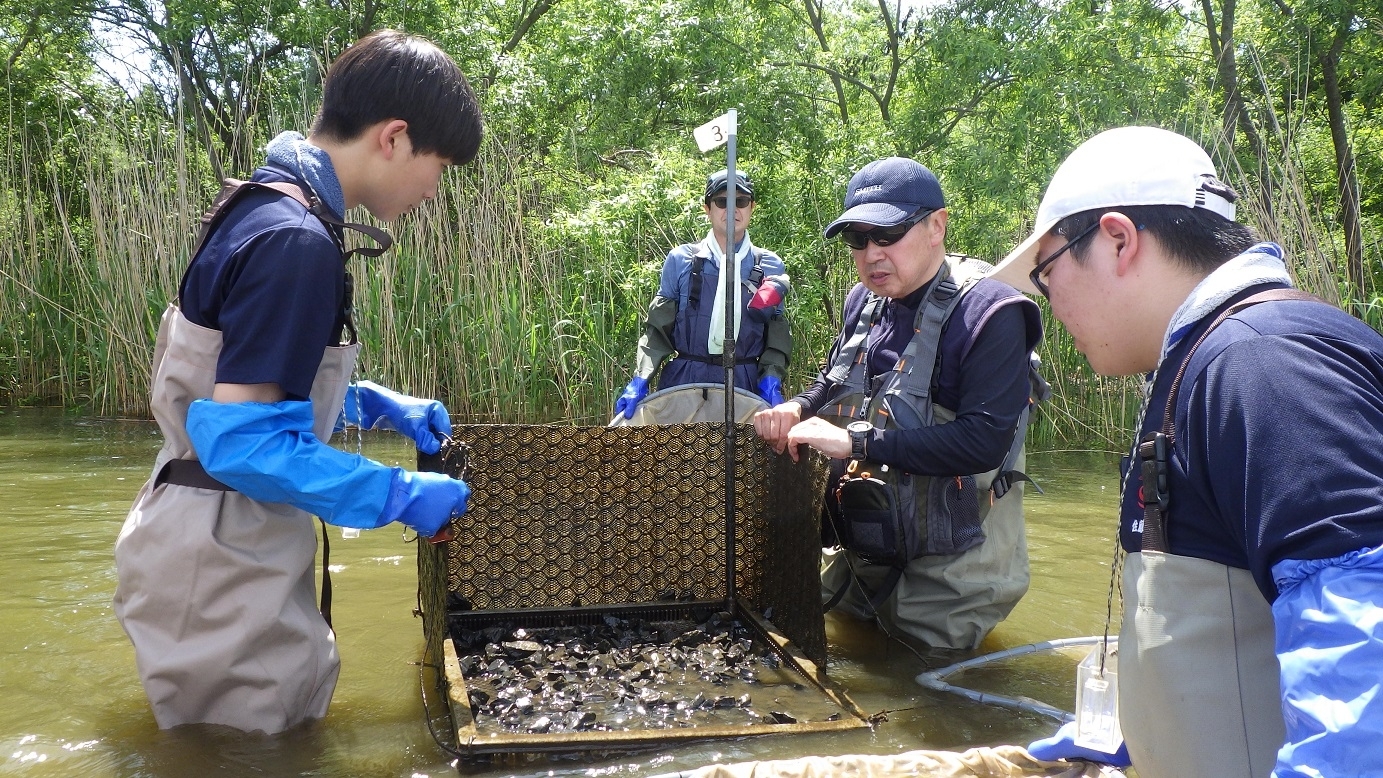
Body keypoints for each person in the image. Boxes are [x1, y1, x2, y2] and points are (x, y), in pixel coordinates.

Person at [112, 30, 483, 734]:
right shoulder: (296, 239)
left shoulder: (266, 204)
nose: (435, 188)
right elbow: (244, 447)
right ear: (394, 138)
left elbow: (236, 384)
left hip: (204, 533)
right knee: (249, 753)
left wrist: (363, 403)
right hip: (220, 555)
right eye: (439, 165)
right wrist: (396, 493)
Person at [992, 125, 1383, 777]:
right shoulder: (1209, 363)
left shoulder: (1264, 363)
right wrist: (1148, 726)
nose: (1048, 302)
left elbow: (1364, 654)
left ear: (1116, 240)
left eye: (1045, 272)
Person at [754, 157, 1045, 649]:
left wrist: (854, 441)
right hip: (864, 546)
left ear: (937, 225)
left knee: (925, 694)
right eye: (857, 239)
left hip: (953, 564)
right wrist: (798, 408)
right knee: (835, 647)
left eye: (887, 235)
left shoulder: (991, 312)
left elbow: (983, 444)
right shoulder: (862, 302)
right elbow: (834, 377)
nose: (871, 254)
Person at [613, 169, 792, 419]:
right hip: (686, 382)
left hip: (744, 383)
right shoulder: (681, 259)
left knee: (741, 458)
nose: (732, 210)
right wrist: (641, 379)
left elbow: (777, 337)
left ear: (751, 207)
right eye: (722, 202)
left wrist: (771, 379)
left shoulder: (770, 265)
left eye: (740, 201)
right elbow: (657, 332)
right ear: (707, 208)